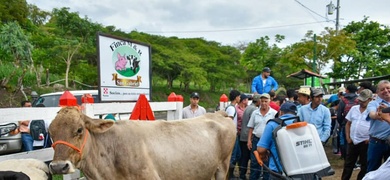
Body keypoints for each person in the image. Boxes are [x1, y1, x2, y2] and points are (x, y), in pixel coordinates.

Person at [257, 102, 298, 179]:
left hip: (278, 171)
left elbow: (261, 149)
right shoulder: (300, 124)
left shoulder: (272, 124)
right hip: (299, 170)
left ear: (280, 112)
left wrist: (265, 153)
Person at [341, 89, 373, 180]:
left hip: (365, 142)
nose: (361, 102)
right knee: (348, 164)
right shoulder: (354, 109)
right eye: (360, 100)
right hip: (353, 141)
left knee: (364, 165)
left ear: (370, 100)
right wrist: (348, 137)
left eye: (364, 100)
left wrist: (370, 139)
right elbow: (348, 124)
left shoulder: (372, 111)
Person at [247, 93, 278, 180]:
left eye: (266, 101)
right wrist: (249, 140)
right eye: (262, 101)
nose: (264, 103)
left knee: (267, 164)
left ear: (269, 102)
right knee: (254, 162)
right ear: (260, 102)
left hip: (269, 141)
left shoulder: (274, 113)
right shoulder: (255, 113)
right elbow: (251, 127)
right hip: (256, 140)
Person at [366, 80, 390, 172]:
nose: (386, 91)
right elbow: (371, 114)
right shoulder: (373, 103)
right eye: (382, 89)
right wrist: (378, 114)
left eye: (388, 88)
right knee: (372, 170)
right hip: (377, 142)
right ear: (377, 92)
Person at [239, 94, 261, 180]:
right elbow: (253, 124)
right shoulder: (254, 110)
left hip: (243, 135)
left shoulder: (248, 107)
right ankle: (248, 175)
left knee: (244, 157)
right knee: (250, 158)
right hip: (248, 136)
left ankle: (242, 174)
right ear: (258, 101)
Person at [337, 84, 359, 159]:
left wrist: (341, 123)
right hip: (356, 124)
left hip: (345, 123)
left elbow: (339, 114)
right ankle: (354, 158)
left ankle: (345, 156)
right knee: (354, 140)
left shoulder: (343, 100)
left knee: (344, 140)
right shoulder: (358, 100)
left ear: (347, 90)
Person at [226, 90, 241, 179]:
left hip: (234, 134)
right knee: (233, 156)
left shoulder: (231, 107)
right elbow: (229, 121)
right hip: (232, 135)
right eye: (239, 97)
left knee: (237, 154)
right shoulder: (231, 108)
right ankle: (230, 176)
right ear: (236, 98)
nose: (240, 98)